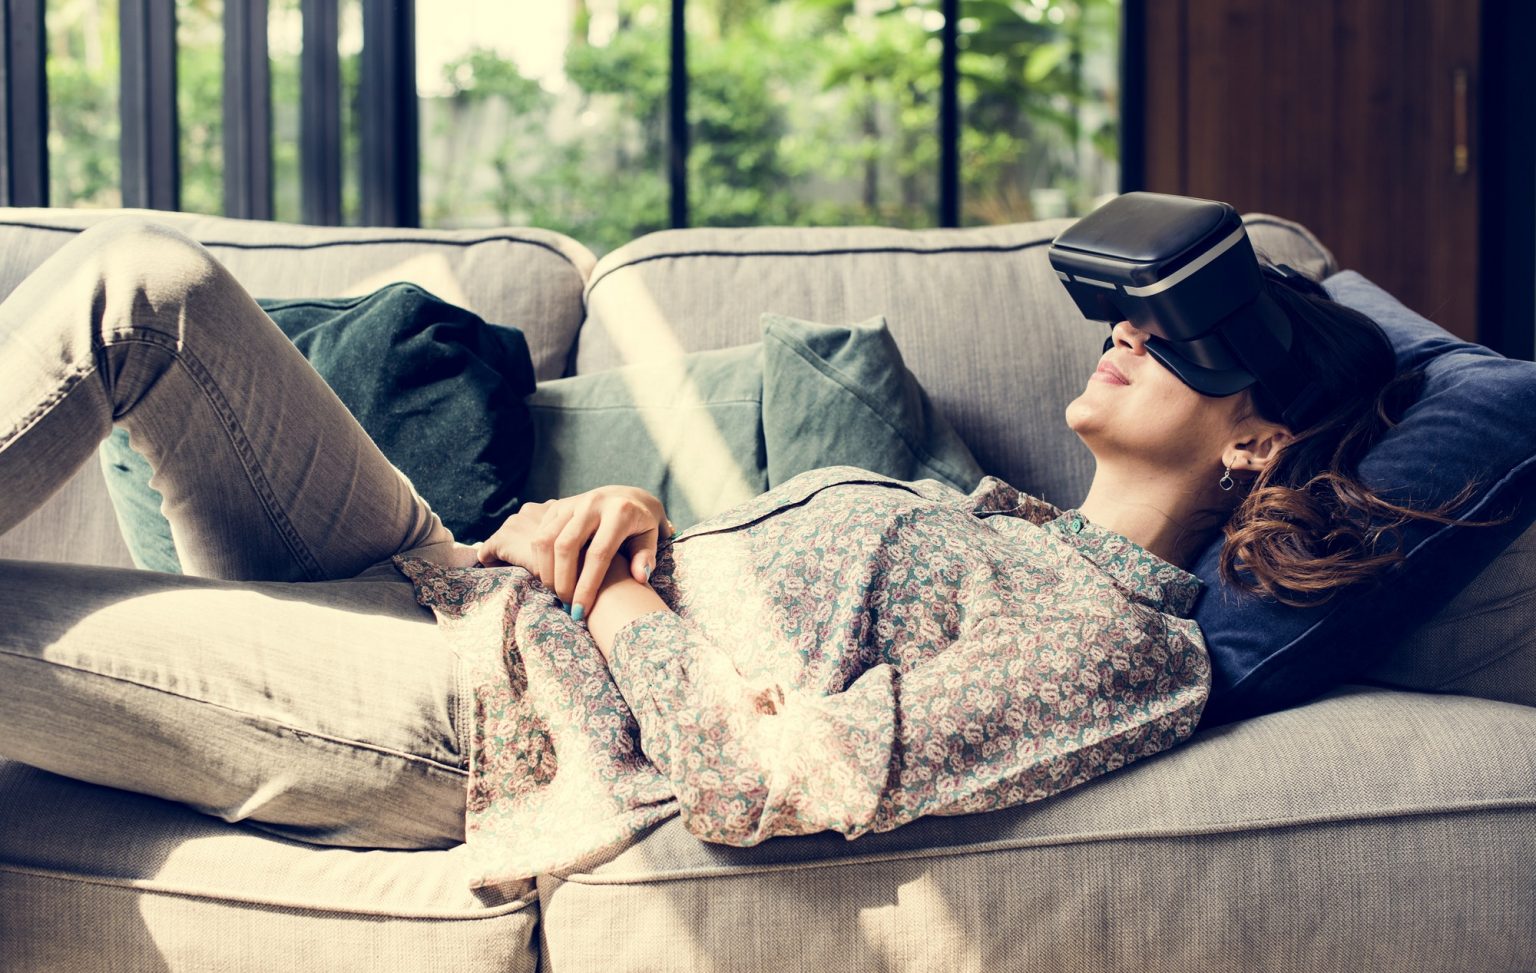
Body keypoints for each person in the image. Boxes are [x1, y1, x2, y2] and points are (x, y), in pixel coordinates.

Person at [0, 212, 1450, 889]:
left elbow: (767, 781)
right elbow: (749, 626)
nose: (1127, 331)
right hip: (444, 579)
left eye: (1182, 340)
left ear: (1256, 439)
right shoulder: (999, 518)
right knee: (149, 283)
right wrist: (628, 517)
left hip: (471, 718)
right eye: (1130, 315)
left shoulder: (1127, 644)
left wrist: (622, 592)